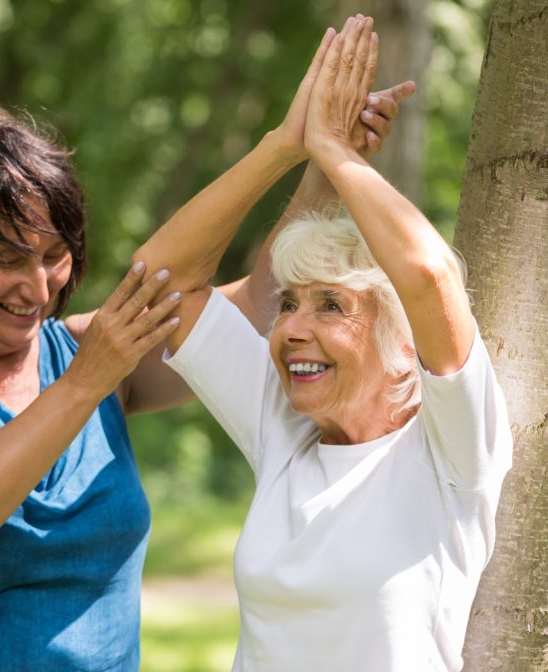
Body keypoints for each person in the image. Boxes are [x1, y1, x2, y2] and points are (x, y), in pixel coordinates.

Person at [0, 72, 404, 667]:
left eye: (54, 256)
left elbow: (260, 303)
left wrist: (312, 155)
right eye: (6, 260)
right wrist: (86, 381)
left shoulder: (93, 347)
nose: (36, 286)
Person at [135, 16, 511, 670]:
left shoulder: (452, 448)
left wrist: (334, 151)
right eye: (288, 303)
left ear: (402, 346)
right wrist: (287, 145)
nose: (291, 330)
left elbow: (428, 275)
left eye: (330, 305)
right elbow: (161, 279)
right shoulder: (284, 425)